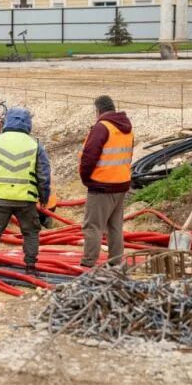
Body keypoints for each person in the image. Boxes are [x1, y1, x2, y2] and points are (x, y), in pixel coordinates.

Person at [0, 107, 51, 286]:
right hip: (26, 200)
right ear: (27, 123)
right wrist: (43, 196)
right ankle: (31, 269)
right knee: (31, 233)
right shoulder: (35, 144)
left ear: (7, 121)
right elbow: (43, 175)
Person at [79, 95, 134, 268]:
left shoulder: (102, 127)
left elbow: (89, 156)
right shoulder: (126, 128)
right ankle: (116, 262)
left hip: (102, 185)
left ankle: (88, 263)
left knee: (93, 226)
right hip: (121, 183)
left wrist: (86, 178)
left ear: (98, 110)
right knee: (115, 226)